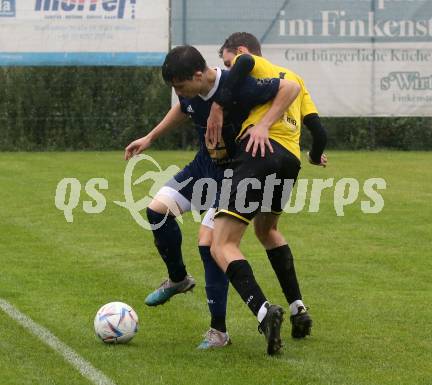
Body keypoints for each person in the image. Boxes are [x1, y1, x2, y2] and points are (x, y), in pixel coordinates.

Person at [124, 45, 298, 352]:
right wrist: (151, 137)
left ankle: (218, 332)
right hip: (203, 167)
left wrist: (264, 124)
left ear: (199, 74)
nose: (180, 93)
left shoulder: (236, 84)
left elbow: (289, 88)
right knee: (156, 211)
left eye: (181, 86)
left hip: (233, 174)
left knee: (209, 246)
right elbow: (183, 107)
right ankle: (178, 279)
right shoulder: (189, 93)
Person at [205, 32, 328, 343]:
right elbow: (319, 130)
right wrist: (314, 155)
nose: (230, 70)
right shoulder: (296, 77)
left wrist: (219, 106)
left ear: (242, 51)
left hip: (257, 152)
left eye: (228, 62)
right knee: (267, 230)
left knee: (221, 244)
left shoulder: (253, 63)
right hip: (289, 159)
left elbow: (245, 62)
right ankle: (299, 308)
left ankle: (264, 313)